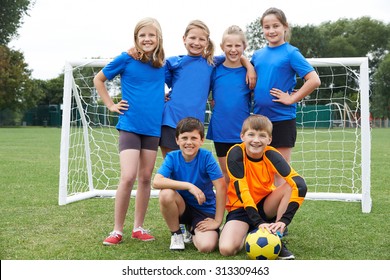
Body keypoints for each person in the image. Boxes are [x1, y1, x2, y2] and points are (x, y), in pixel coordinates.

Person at [93, 17, 166, 245]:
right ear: (136, 39)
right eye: (142, 35)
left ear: (158, 38)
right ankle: (117, 230)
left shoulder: (163, 64)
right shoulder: (126, 58)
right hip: (130, 126)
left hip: (153, 128)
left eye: (151, 35)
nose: (147, 39)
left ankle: (138, 228)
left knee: (145, 178)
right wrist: (111, 105)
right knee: (127, 177)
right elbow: (99, 79)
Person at [160, 19, 256, 158]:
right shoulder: (173, 62)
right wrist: (160, 94)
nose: (196, 42)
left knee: (189, 168)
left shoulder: (211, 62)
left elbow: (235, 54)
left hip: (194, 126)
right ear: (184, 39)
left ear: (207, 42)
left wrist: (250, 67)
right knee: (173, 167)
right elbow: (153, 75)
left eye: (201, 39)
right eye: (192, 38)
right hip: (170, 121)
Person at [218, 114, 307, 260]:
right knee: (227, 249)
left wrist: (284, 221)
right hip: (241, 207)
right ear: (242, 136)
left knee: (291, 186)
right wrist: (257, 222)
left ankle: (277, 235)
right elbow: (243, 191)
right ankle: (251, 230)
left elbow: (299, 184)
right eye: (251, 134)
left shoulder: (272, 154)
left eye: (262, 135)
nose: (256, 140)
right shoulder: (235, 153)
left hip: (266, 205)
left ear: (269, 139)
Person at [251, 7, 321, 185]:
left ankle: (280, 212)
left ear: (285, 27)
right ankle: (263, 211)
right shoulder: (257, 55)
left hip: (282, 119)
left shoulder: (291, 53)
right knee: (260, 171)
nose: (271, 30)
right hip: (259, 120)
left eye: (275, 26)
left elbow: (314, 80)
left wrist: (291, 99)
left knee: (279, 171)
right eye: (267, 27)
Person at [153, 117, 227, 252]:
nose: (189, 142)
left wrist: (217, 221)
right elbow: (157, 181)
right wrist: (189, 186)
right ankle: (176, 234)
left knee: (207, 246)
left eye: (194, 138)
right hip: (182, 207)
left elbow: (221, 187)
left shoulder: (206, 157)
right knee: (166, 193)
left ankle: (192, 229)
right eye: (184, 138)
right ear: (177, 140)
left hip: (203, 209)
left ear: (202, 140)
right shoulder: (172, 157)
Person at [206, 25, 252, 184]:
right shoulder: (214, 69)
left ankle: (246, 208)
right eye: (229, 45)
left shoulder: (250, 71)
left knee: (243, 174)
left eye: (238, 45)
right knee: (226, 175)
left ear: (244, 47)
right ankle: (229, 208)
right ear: (222, 47)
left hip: (243, 131)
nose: (233, 49)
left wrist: (250, 67)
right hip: (221, 129)